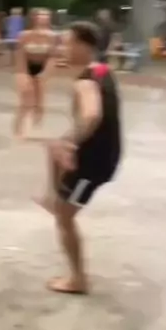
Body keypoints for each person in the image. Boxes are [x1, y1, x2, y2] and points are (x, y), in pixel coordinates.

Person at [36, 22, 122, 295]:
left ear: (84, 46)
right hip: (102, 153)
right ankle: (54, 197)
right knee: (53, 149)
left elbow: (92, 115)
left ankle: (78, 280)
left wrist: (70, 143)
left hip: (93, 162)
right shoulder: (102, 70)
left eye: (67, 43)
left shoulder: (85, 81)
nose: (63, 48)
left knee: (64, 219)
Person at [14, 8, 56, 138]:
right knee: (26, 99)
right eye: (40, 16)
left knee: (39, 99)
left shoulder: (52, 36)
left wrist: (46, 73)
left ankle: (37, 121)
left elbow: (52, 56)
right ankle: (19, 128)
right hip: (27, 66)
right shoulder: (24, 35)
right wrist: (22, 73)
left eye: (45, 16)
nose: (43, 18)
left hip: (42, 67)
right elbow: (20, 55)